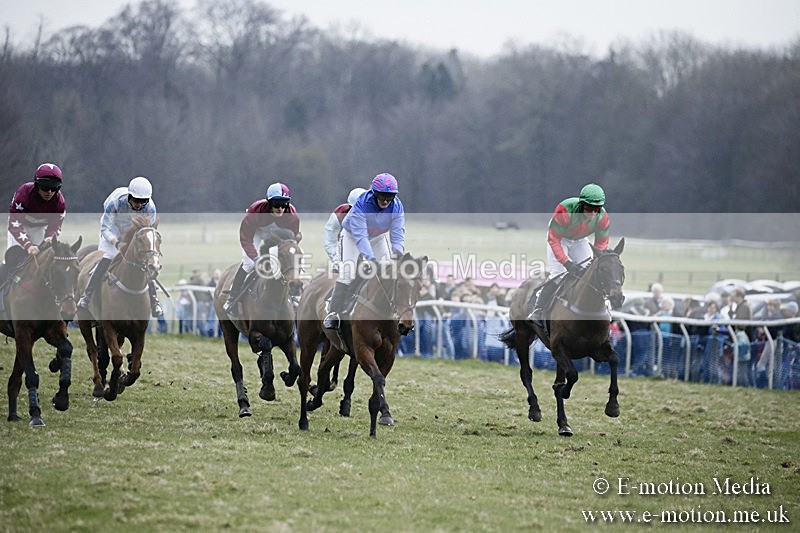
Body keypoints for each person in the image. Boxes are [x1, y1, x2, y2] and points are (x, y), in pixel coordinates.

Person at [323, 172, 405, 330]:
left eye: (390, 197)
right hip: (352, 237)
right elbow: (360, 237)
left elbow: (397, 234)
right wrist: (371, 259)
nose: (386, 201)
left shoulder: (397, 206)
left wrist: (399, 255)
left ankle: (392, 312)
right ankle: (333, 313)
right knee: (348, 274)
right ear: (374, 193)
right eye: (382, 196)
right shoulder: (362, 204)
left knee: (390, 271)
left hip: (377, 237)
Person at [77, 176, 163, 317]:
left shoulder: (150, 208)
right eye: (135, 200)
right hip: (112, 230)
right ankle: (87, 295)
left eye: (142, 201)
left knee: (145, 263)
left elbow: (149, 232)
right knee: (108, 256)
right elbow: (106, 228)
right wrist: (115, 242)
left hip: (134, 233)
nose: (138, 204)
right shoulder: (115, 202)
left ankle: (154, 300)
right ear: (130, 196)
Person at [529, 183, 610, 326]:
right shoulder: (565, 210)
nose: (592, 213)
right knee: (558, 274)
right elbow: (554, 240)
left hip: (580, 240)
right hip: (559, 239)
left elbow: (601, 244)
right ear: (581, 204)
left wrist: (598, 260)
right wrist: (567, 263)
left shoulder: (603, 217)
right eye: (588, 208)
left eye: (596, 209)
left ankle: (594, 308)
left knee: (590, 272)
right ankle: (538, 309)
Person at [223, 182, 302, 314]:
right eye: (276, 204)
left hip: (279, 235)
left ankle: (293, 296)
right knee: (248, 265)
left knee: (288, 265)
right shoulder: (255, 211)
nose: (281, 208)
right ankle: (232, 298)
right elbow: (246, 239)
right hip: (256, 232)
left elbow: (291, 243)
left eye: (284, 204)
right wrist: (256, 259)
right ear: (269, 203)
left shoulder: (292, 217)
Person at [7, 163, 66, 254]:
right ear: (37, 185)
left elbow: (54, 227)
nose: (49, 192)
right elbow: (15, 224)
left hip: (41, 229)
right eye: (45, 187)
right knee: (13, 259)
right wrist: (28, 245)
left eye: (54, 187)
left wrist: (50, 237)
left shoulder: (59, 203)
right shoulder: (23, 194)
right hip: (20, 227)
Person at [322, 187, 367, 271]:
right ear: (350, 207)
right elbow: (330, 242)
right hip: (342, 250)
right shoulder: (338, 215)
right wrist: (337, 261)